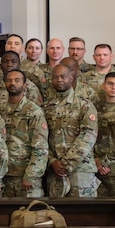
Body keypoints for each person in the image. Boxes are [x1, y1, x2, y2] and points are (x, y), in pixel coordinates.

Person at [42, 64, 99, 198]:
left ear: (71, 78)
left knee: (83, 215)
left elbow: (88, 136)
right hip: (55, 171)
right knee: (56, 215)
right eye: (55, 77)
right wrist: (52, 161)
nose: (59, 80)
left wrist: (68, 164)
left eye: (63, 77)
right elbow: (41, 139)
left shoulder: (85, 105)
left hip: (80, 171)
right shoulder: (45, 107)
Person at [0, 69, 48, 198]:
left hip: (26, 176)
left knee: (31, 216)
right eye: (9, 80)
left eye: (17, 80)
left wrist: (31, 175)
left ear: (25, 85)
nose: (12, 83)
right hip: (5, 175)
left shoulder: (34, 112)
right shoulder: (0, 111)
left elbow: (40, 148)